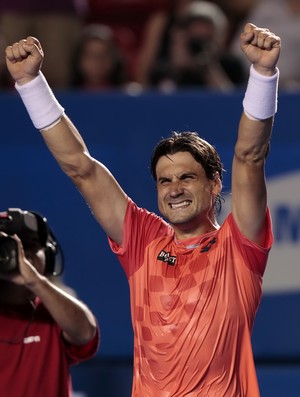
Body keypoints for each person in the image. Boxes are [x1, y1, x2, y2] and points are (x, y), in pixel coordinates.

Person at [5, 22, 280, 396]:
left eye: (187, 177)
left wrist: (263, 75)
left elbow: (249, 156)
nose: (174, 189)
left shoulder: (240, 245)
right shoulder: (144, 239)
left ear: (215, 183)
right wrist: (31, 84)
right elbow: (81, 168)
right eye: (164, 181)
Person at [0, 208, 99, 397]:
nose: (22, 256)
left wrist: (35, 281)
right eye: (9, 247)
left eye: (31, 246)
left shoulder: (55, 311)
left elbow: (86, 332)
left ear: (49, 255)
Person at [70, 23, 128, 91]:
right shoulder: (61, 96)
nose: (97, 62)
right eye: (91, 56)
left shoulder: (127, 93)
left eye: (103, 55)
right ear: (78, 60)